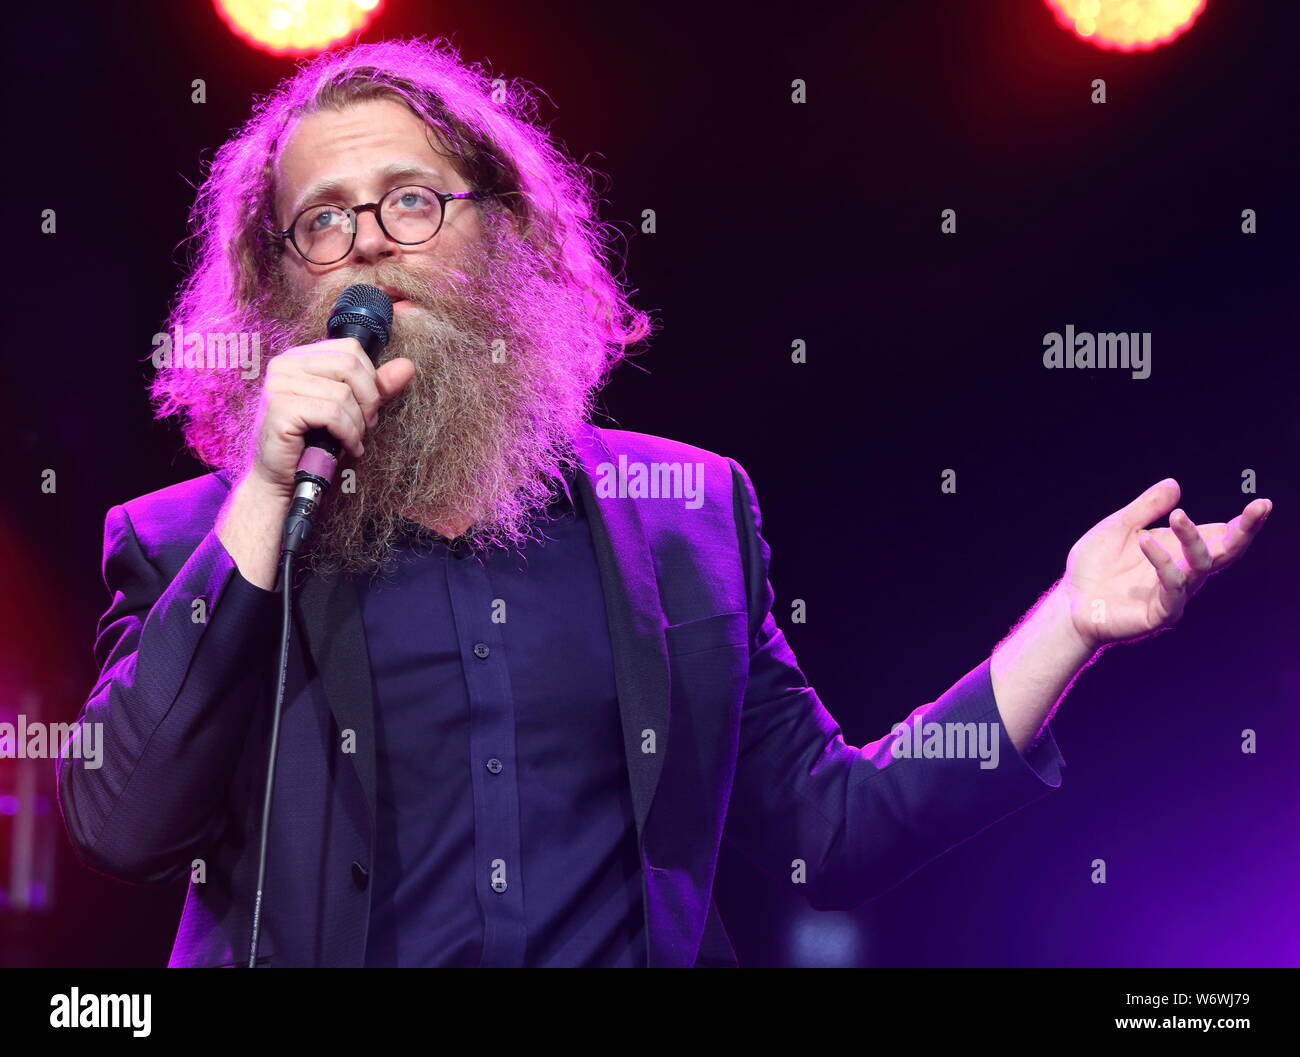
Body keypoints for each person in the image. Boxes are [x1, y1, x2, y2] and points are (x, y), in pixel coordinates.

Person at [55, 38, 1272, 968]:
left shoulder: (683, 516)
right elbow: (119, 825)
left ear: (506, 235)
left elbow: (826, 832)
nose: (368, 243)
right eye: (321, 222)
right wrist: (265, 497)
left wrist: (1065, 621)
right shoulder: (185, 543)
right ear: (278, 284)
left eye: (411, 199)